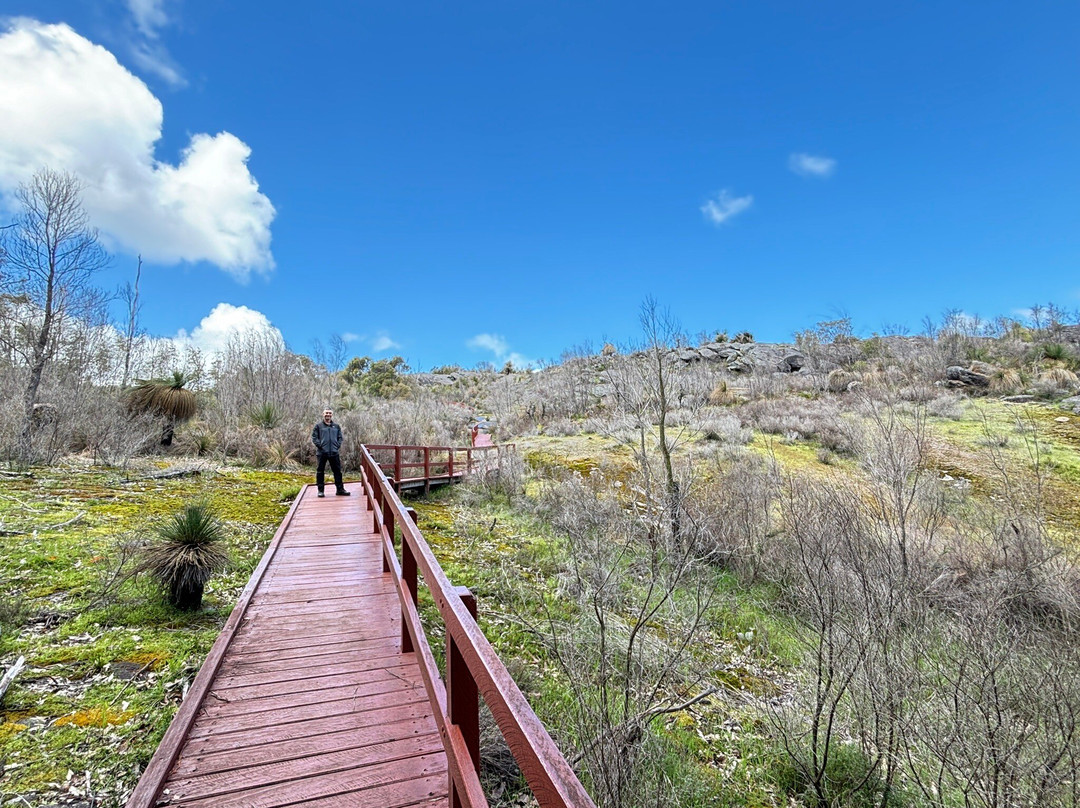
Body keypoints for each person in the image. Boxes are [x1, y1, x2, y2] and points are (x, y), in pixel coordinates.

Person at [311, 408, 350, 497]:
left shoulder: (336, 426)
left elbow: (340, 437)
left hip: (334, 452)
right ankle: (320, 491)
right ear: (323, 414)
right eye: (326, 413)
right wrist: (320, 446)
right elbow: (314, 437)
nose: (328, 414)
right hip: (322, 453)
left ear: (331, 415)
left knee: (337, 471)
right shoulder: (318, 426)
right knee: (320, 471)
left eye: (329, 413)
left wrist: (337, 446)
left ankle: (340, 490)